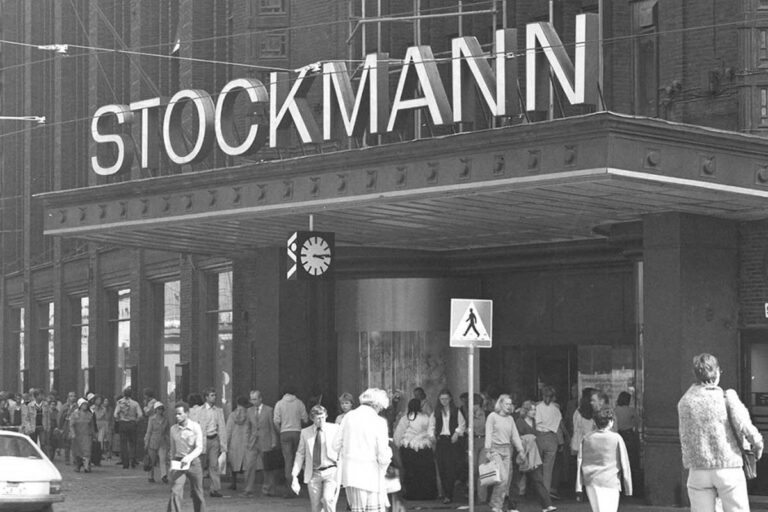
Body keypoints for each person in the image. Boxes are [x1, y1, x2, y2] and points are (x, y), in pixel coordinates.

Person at [678, 353, 764, 512]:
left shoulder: (685, 401)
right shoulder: (727, 397)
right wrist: (758, 446)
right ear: (716, 372)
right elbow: (747, 427)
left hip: (697, 470)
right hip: (728, 467)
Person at [333, 388, 392, 512]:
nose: (380, 410)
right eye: (380, 408)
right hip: (372, 473)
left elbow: (335, 445)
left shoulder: (348, 417)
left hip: (350, 473)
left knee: (356, 508)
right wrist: (387, 459)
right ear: (376, 405)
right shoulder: (379, 421)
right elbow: (383, 455)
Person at [576, 407, 632, 512]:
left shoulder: (586, 438)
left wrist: (578, 487)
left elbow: (580, 461)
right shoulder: (616, 438)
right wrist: (628, 488)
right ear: (610, 421)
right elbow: (625, 463)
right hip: (611, 480)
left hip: (591, 480)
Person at [291, 404, 341, 512]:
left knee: (328, 500)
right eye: (318, 418)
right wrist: (294, 475)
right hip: (314, 472)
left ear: (326, 416)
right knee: (315, 506)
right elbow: (300, 454)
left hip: (331, 470)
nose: (321, 420)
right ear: (312, 418)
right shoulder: (305, 432)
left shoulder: (335, 428)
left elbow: (342, 447)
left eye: (323, 417)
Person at [513, 400, 556, 512]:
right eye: (531, 409)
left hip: (533, 454)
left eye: (534, 409)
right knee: (517, 481)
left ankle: (547, 505)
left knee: (538, 479)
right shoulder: (519, 421)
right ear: (526, 410)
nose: (533, 411)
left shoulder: (535, 421)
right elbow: (517, 438)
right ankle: (511, 506)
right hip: (522, 452)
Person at [484, 394, 524, 512]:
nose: (509, 406)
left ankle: (497, 506)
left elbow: (515, 436)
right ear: (500, 404)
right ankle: (496, 505)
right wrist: (487, 450)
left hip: (507, 450)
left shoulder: (510, 419)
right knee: (502, 478)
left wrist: (520, 450)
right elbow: (489, 433)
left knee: (506, 481)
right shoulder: (492, 416)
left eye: (510, 404)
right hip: (495, 449)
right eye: (507, 404)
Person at [393, 397, 437, 500]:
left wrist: (397, 445)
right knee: (424, 473)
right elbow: (431, 432)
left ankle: (411, 494)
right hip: (424, 448)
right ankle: (428, 495)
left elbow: (398, 434)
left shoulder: (406, 418)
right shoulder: (426, 417)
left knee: (410, 472)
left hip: (408, 448)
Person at [167, 401, 206, 512]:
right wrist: (171, 465)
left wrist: (188, 458)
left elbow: (199, 448)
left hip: (193, 462)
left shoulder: (195, 427)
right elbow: (173, 449)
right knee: (175, 491)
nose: (177, 416)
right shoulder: (173, 429)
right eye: (175, 414)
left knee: (197, 493)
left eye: (179, 414)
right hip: (179, 463)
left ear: (187, 413)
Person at [429, 388, 466, 504]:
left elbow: (462, 424)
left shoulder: (456, 411)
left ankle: (449, 494)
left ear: (450, 399)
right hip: (441, 441)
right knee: (442, 468)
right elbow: (431, 426)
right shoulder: (436, 412)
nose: (444, 401)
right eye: (441, 399)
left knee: (451, 468)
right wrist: (431, 435)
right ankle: (446, 493)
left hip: (452, 442)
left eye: (446, 399)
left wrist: (457, 433)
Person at [273, 385, 309, 497]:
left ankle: (289, 489)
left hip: (285, 433)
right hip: (297, 432)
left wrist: (281, 432)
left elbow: (276, 421)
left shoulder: (279, 404)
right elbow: (306, 419)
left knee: (288, 461)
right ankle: (303, 485)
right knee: (299, 459)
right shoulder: (299, 403)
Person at [243, 390, 279, 497]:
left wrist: (273, 441)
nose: (252, 401)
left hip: (266, 441)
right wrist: (246, 441)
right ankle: (248, 488)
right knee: (249, 465)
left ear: (260, 399)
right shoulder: (249, 411)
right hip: (253, 442)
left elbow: (272, 427)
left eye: (254, 399)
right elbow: (247, 427)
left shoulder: (269, 410)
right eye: (251, 399)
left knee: (267, 467)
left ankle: (268, 489)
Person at [196, 387, 227, 498]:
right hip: (203, 440)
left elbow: (222, 427)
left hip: (214, 439)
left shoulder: (218, 411)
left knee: (214, 465)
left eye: (215, 395)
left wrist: (223, 444)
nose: (214, 397)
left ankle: (215, 489)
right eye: (212, 395)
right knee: (200, 466)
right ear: (206, 397)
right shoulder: (199, 411)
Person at [535, 385, 563, 498]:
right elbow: (558, 428)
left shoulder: (537, 407)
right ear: (553, 397)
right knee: (548, 469)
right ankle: (545, 493)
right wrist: (561, 442)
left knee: (537, 467)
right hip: (552, 438)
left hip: (539, 437)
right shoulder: (556, 409)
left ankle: (537, 491)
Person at [614, 391, 641, 494]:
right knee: (631, 461)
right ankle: (631, 486)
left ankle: (619, 485)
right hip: (629, 435)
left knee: (619, 461)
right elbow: (638, 422)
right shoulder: (631, 410)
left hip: (619, 434)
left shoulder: (615, 410)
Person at [114, 386, 143, 469]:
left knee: (123, 444)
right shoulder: (135, 403)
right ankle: (133, 460)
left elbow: (115, 414)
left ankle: (125, 462)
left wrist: (118, 419)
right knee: (132, 443)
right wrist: (136, 420)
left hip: (123, 423)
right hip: (132, 423)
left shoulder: (120, 402)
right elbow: (140, 414)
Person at [225, 395, 250, 491]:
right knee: (246, 464)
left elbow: (228, 430)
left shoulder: (232, 415)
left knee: (233, 463)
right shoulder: (249, 414)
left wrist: (225, 444)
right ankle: (247, 485)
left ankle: (233, 482)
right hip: (246, 441)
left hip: (234, 442)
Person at [145, 401, 170, 484]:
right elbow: (149, 431)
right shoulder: (152, 419)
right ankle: (150, 476)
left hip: (162, 441)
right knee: (152, 460)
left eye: (161, 409)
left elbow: (167, 432)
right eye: (158, 409)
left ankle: (164, 475)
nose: (160, 410)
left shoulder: (166, 420)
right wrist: (146, 442)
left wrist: (169, 442)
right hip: (153, 441)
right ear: (155, 410)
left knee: (163, 459)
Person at [69, 397, 95, 473]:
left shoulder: (90, 414)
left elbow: (92, 425)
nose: (85, 406)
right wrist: (73, 433)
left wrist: (93, 434)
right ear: (80, 405)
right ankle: (78, 465)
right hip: (77, 435)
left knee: (87, 451)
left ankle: (86, 466)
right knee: (78, 452)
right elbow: (71, 425)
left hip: (87, 435)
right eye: (83, 404)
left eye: (86, 404)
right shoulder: (74, 414)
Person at [59, 391, 78, 465]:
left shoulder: (77, 406)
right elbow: (60, 417)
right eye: (71, 396)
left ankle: (75, 459)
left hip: (74, 425)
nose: (72, 397)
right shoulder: (64, 406)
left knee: (74, 443)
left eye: (74, 396)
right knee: (67, 443)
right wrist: (60, 427)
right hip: (66, 424)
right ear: (68, 397)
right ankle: (67, 459)